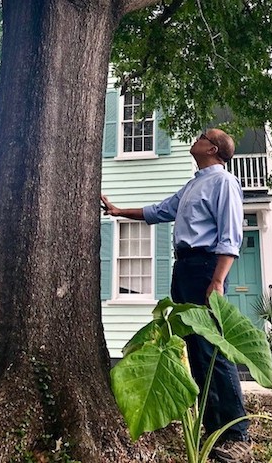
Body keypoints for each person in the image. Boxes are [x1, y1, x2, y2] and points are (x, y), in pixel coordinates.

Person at [101, 128, 252, 463]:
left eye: (201, 136)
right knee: (195, 352)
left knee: (213, 351)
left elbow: (231, 236)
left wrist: (218, 280)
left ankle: (238, 436)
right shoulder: (193, 184)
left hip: (205, 268)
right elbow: (159, 210)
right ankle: (213, 429)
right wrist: (117, 211)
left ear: (212, 148)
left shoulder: (223, 183)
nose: (194, 139)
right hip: (184, 269)